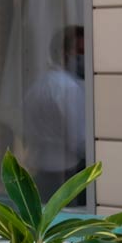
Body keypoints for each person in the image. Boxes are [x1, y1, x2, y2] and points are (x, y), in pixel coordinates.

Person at [23, 25, 85, 194]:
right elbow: (79, 139)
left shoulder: (38, 85)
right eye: (79, 51)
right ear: (64, 52)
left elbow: (27, 130)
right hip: (67, 170)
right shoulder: (69, 88)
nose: (84, 57)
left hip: (39, 166)